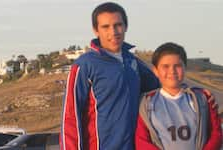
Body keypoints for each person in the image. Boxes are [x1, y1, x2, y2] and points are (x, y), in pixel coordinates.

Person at [60, 2, 159, 150]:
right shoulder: (84, 65)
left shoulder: (134, 62)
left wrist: (199, 97)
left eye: (118, 25)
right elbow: (70, 118)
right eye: (105, 27)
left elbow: (163, 91)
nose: (113, 32)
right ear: (96, 30)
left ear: (126, 27)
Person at [135, 42, 222, 150]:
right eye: (165, 66)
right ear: (156, 71)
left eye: (178, 66)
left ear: (185, 68)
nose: (172, 71)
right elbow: (141, 141)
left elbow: (216, 134)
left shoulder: (203, 99)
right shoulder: (145, 103)